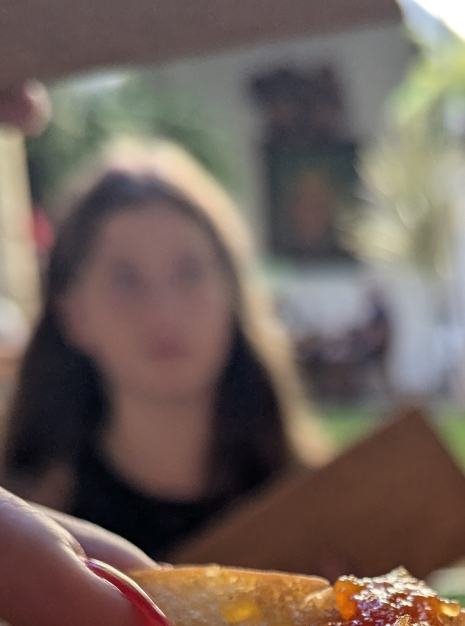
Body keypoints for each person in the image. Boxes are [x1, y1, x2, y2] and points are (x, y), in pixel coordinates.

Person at [2, 141, 328, 560]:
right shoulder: (21, 538)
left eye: (189, 273)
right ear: (73, 315)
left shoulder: (328, 504)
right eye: (125, 280)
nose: (163, 312)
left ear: (232, 295)